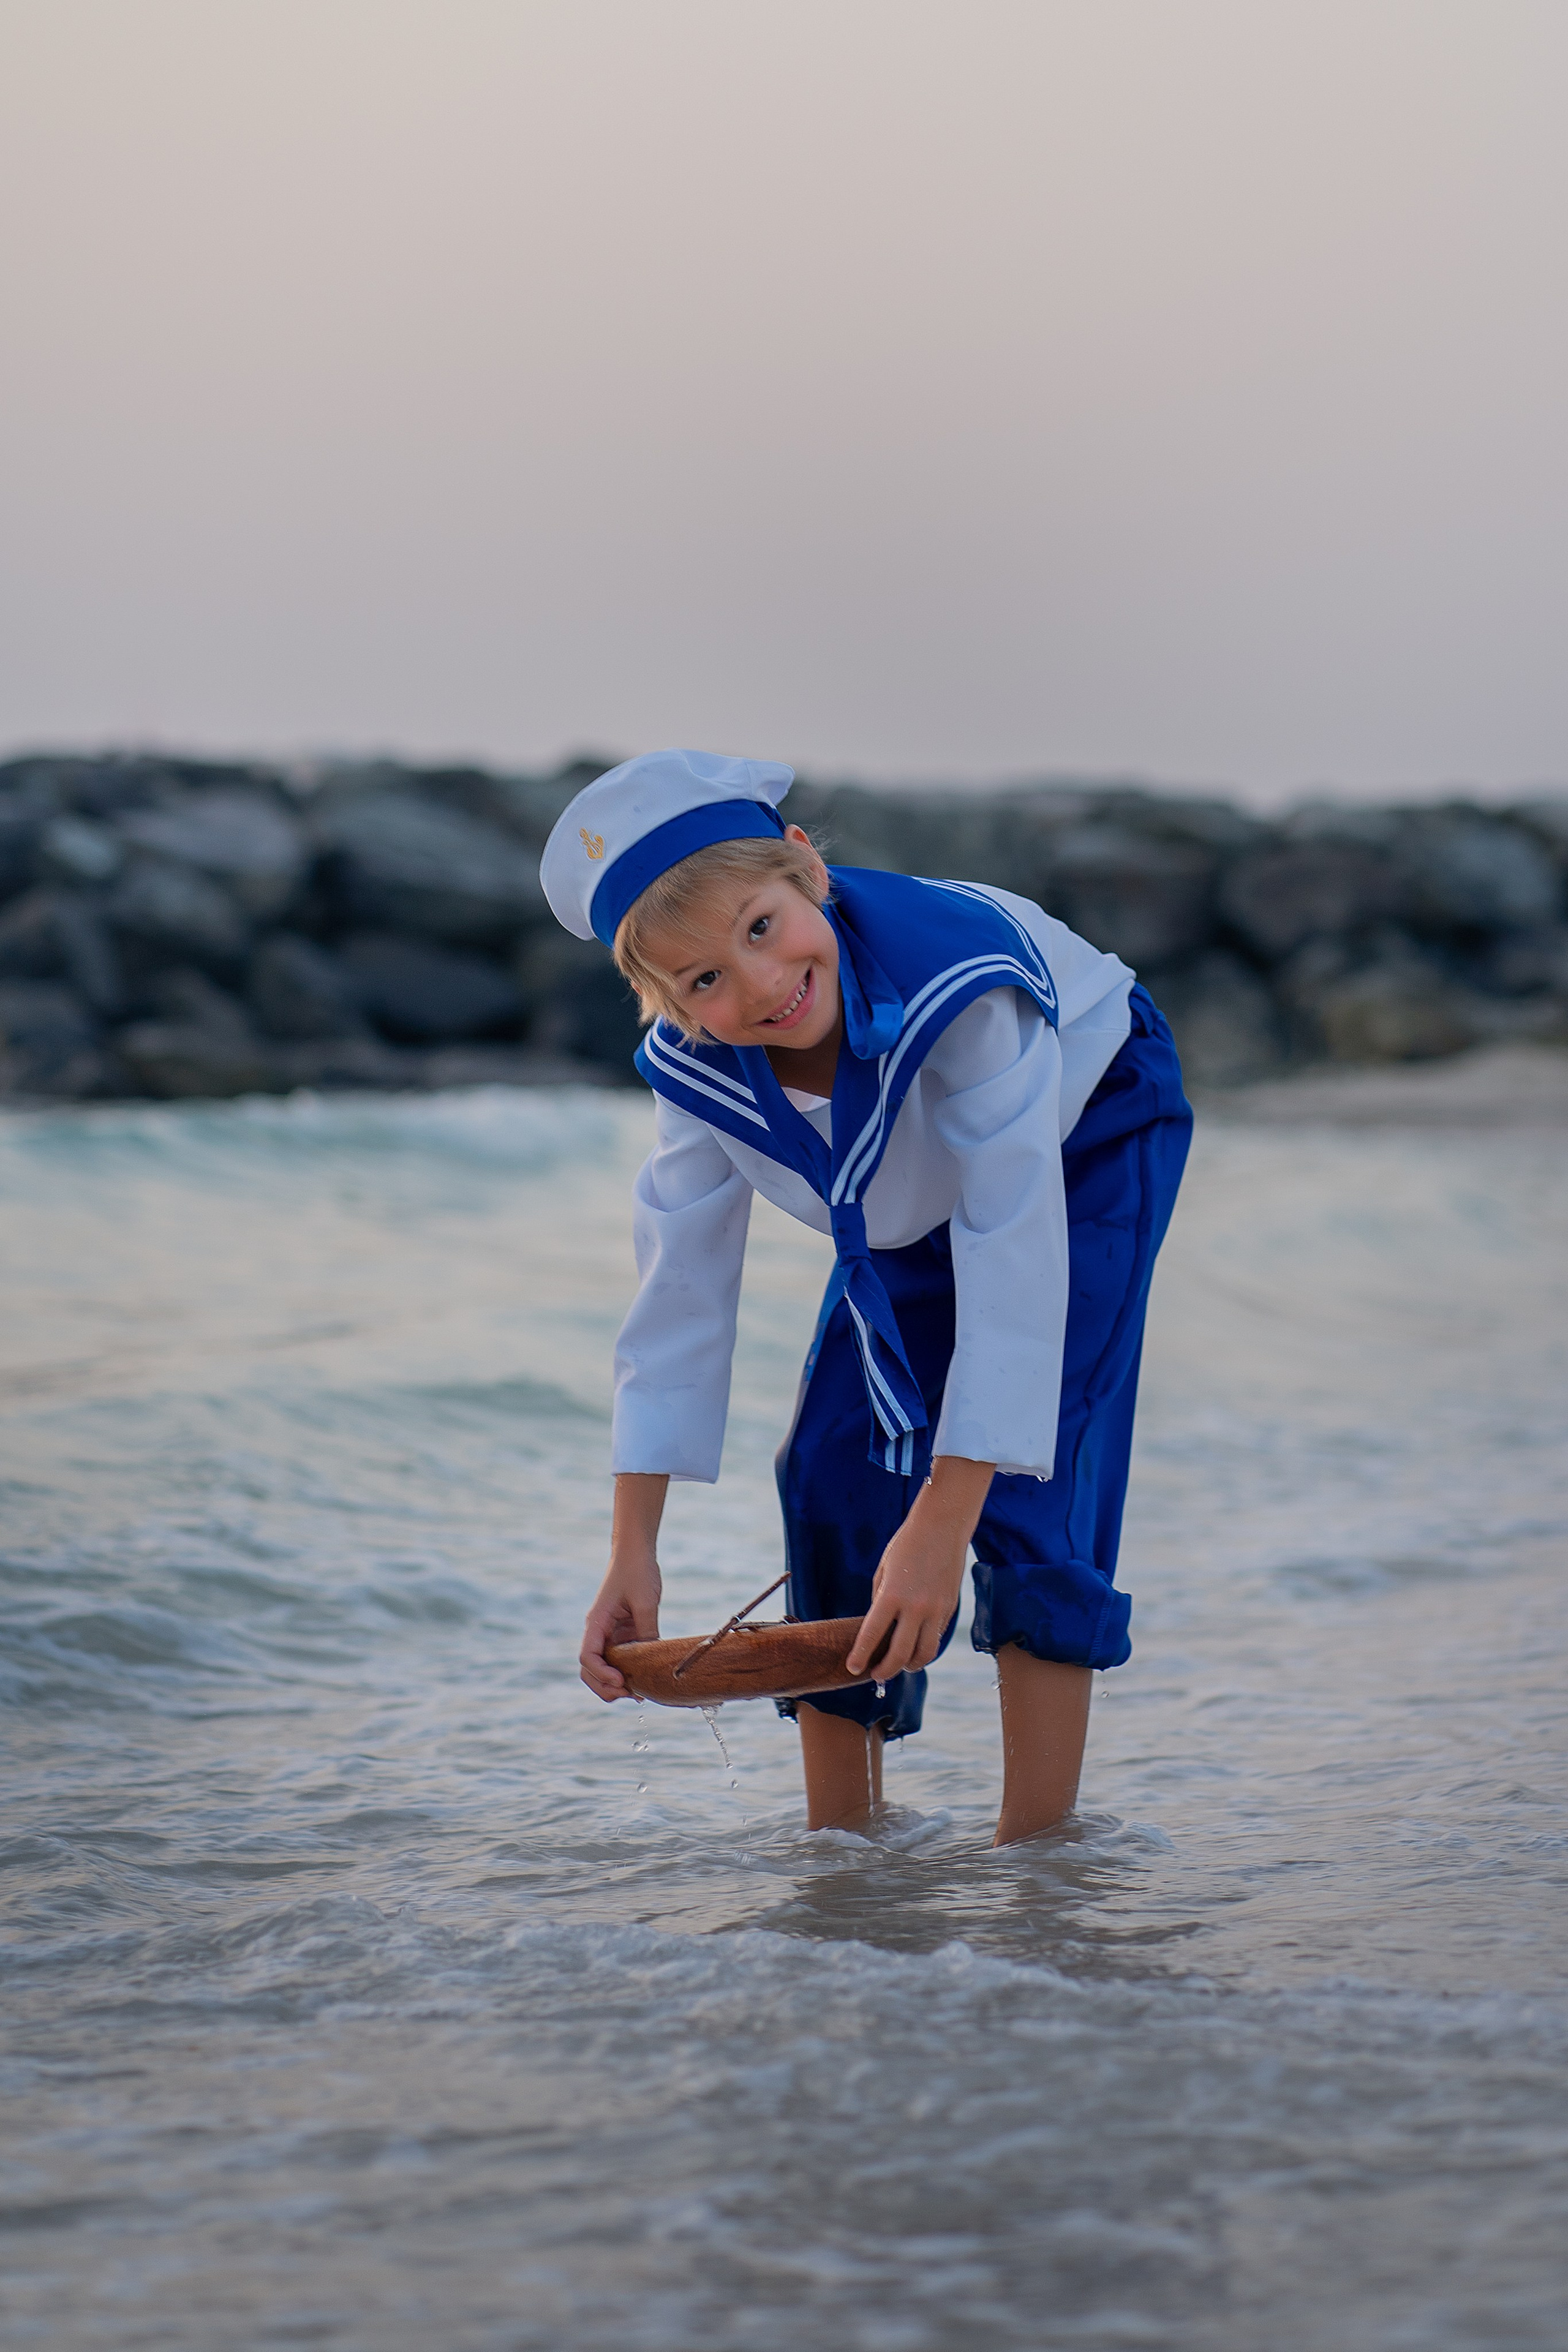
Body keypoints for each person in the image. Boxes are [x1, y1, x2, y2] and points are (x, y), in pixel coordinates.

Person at [541, 748, 1191, 1845]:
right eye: (702, 980)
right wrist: (631, 1548)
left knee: (1027, 1478)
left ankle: (1038, 1867)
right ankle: (846, 1856)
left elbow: (1011, 1258)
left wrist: (943, 1519)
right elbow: (678, 1301)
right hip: (899, 1190)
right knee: (830, 1468)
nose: (758, 987)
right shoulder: (698, 1070)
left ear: (807, 867)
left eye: (761, 927)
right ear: (666, 1005)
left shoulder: (965, 990)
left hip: (1086, 1131)